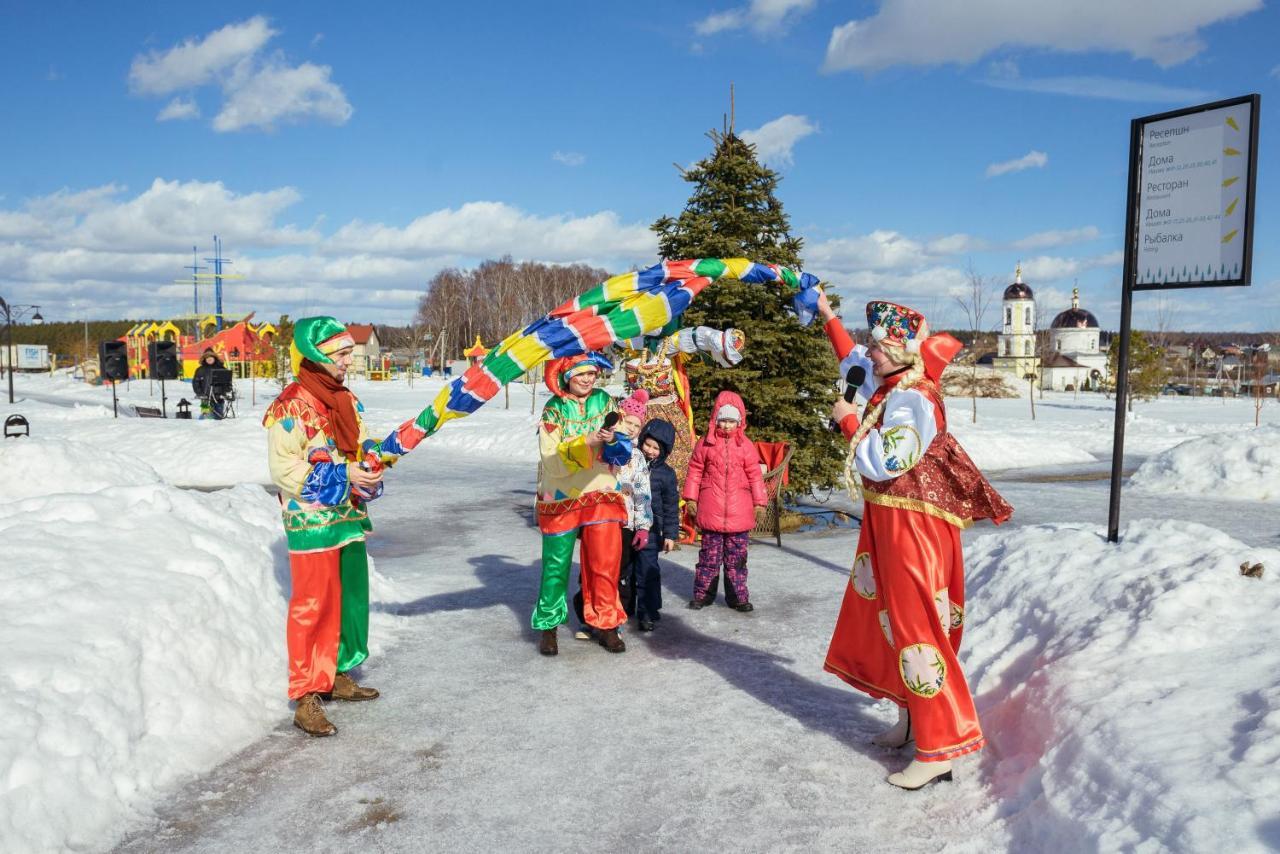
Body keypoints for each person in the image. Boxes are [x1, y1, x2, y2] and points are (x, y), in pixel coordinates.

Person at [815, 290, 1012, 790]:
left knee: (915, 626)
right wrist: (827, 316)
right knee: (887, 620)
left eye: (878, 345)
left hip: (913, 528)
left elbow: (887, 460)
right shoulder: (893, 377)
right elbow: (851, 358)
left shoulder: (912, 399)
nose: (869, 351)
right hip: (889, 519)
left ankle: (939, 746)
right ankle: (911, 717)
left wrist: (847, 419)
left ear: (899, 352)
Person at [263, 317, 385, 737]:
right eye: (343, 355)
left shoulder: (345, 399)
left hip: (346, 516)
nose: (350, 361)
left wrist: (370, 462)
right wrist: (343, 476)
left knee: (350, 596)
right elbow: (283, 468)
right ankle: (306, 693)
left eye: (349, 353)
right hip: (310, 519)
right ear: (318, 356)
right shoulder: (291, 404)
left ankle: (337, 673)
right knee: (312, 603)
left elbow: (362, 440)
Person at [534, 352, 629, 655]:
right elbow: (551, 458)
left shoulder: (605, 401)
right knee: (556, 565)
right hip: (561, 495)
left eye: (592, 373)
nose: (588, 379)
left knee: (605, 562)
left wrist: (613, 440)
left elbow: (623, 448)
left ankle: (606, 623)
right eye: (581, 374)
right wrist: (587, 441)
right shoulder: (553, 409)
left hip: (601, 491)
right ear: (566, 376)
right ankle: (549, 626)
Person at [570, 388, 652, 639]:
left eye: (636, 426)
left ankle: (610, 621)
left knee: (616, 573)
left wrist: (643, 526)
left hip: (623, 524)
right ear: (618, 419)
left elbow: (642, 493)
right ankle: (588, 619)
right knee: (591, 572)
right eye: (627, 422)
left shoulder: (637, 457)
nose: (630, 428)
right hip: (596, 518)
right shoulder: (600, 448)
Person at [683, 390, 767, 611]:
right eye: (723, 421)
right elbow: (695, 471)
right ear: (716, 420)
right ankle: (703, 595)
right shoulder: (706, 444)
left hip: (739, 512)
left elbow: (755, 475)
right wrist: (691, 497)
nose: (727, 425)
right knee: (709, 558)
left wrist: (760, 502)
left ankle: (738, 597)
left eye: (732, 421)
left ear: (739, 421)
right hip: (711, 508)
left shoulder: (746, 446)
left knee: (737, 559)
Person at [634, 418, 679, 631]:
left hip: (652, 529)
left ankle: (648, 611)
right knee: (626, 570)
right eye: (647, 444)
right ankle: (623, 608)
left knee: (647, 569)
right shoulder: (630, 463)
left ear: (664, 451)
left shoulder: (667, 474)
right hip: (628, 525)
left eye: (656, 448)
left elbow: (671, 506)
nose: (650, 451)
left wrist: (670, 535)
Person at [191, 348, 229, 419]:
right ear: (204, 359)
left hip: (219, 399)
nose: (209, 359)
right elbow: (195, 383)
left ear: (214, 358)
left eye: (211, 357)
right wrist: (200, 393)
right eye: (207, 358)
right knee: (206, 416)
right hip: (205, 399)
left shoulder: (221, 369)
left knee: (219, 418)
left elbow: (227, 382)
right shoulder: (200, 370)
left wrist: (226, 391)